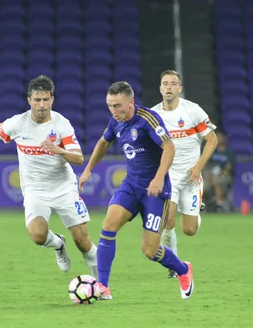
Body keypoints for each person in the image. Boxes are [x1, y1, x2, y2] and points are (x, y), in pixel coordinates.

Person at [79, 81, 194, 300]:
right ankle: (103, 286)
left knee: (150, 250)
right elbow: (103, 143)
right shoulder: (116, 122)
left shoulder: (147, 119)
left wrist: (160, 178)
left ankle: (183, 270)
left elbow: (169, 146)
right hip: (131, 185)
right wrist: (88, 170)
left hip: (156, 191)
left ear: (131, 102)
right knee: (108, 225)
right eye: (110, 106)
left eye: (118, 106)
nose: (114, 111)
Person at [0, 75, 98, 278]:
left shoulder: (62, 125)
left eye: (46, 99)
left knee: (83, 241)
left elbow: (78, 159)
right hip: (35, 190)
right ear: (29, 101)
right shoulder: (17, 123)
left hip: (64, 187)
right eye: (37, 100)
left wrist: (58, 150)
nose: (42, 105)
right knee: (38, 235)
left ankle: (102, 285)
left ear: (52, 100)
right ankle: (58, 244)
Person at [151, 70, 218, 278]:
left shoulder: (193, 111)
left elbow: (212, 140)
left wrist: (198, 167)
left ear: (179, 88)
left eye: (173, 83)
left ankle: (197, 209)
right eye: (165, 83)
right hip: (168, 177)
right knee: (167, 221)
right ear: (160, 88)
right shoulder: (153, 115)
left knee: (189, 230)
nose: (169, 87)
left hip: (191, 177)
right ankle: (174, 263)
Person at [204, 132, 235, 212]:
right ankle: (205, 204)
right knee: (202, 185)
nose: (218, 138)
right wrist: (208, 176)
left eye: (220, 137)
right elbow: (208, 166)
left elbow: (228, 169)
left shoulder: (228, 153)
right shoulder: (213, 152)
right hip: (211, 176)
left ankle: (219, 204)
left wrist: (221, 175)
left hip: (225, 176)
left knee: (217, 181)